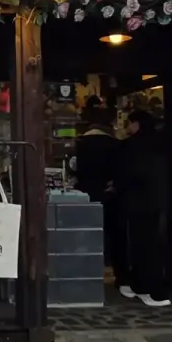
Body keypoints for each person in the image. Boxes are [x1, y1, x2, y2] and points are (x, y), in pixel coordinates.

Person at [117, 109, 172, 308]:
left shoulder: (131, 146)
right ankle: (155, 288)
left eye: (128, 123)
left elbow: (127, 175)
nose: (126, 127)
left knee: (140, 246)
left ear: (136, 124)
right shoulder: (162, 144)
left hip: (138, 202)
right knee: (156, 245)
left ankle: (145, 288)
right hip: (159, 200)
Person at [71, 102, 123, 288]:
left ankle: (86, 267)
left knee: (86, 231)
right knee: (112, 232)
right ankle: (111, 266)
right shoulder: (116, 144)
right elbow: (120, 170)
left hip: (86, 191)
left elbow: (75, 168)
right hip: (110, 193)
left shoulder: (81, 143)